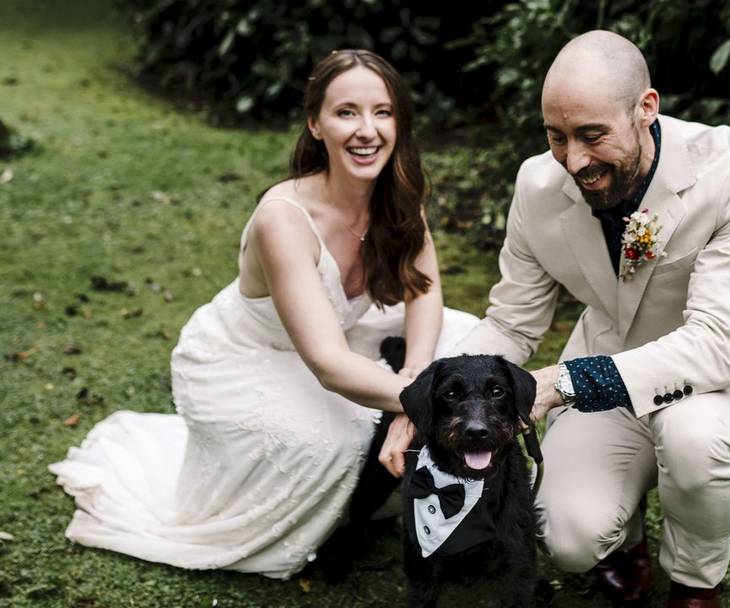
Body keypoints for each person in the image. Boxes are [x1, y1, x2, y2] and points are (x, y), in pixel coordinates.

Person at [381, 30, 730, 607]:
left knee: (693, 439)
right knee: (568, 536)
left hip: (726, 383)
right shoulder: (538, 185)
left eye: (592, 135)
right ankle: (625, 547)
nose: (574, 160)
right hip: (607, 373)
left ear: (646, 109)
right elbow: (512, 321)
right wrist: (424, 401)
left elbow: (720, 343)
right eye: (557, 137)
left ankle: (695, 586)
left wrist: (567, 381)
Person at [49, 49, 478, 580]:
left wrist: (415, 381)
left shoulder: (400, 197)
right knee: (334, 439)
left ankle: (403, 471)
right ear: (314, 124)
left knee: (469, 338)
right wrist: (427, 400)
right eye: (346, 112)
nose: (367, 130)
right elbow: (327, 363)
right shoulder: (283, 218)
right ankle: (341, 507)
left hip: (337, 339)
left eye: (383, 112)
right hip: (243, 360)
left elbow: (424, 292)